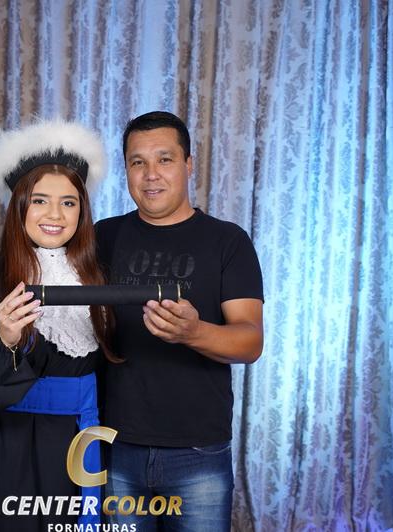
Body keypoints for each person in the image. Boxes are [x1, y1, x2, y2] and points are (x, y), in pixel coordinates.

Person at [0, 119, 115, 531]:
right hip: (12, 445)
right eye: (40, 200)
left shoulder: (99, 277)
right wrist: (3, 341)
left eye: (69, 202)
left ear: (82, 211)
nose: (55, 214)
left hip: (83, 438)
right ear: (20, 206)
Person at [95, 111, 264, 531]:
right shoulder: (103, 236)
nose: (151, 174)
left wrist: (194, 332)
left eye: (165, 159)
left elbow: (250, 342)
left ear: (189, 164)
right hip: (116, 445)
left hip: (198, 452)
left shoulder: (228, 241)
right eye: (138, 162)